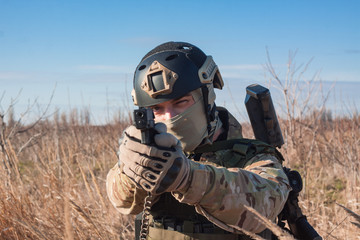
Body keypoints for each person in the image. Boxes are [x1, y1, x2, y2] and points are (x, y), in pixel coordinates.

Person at [106, 41, 291, 240]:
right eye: (157, 109)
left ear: (207, 98)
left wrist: (187, 178)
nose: (168, 117)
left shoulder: (253, 155)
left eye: (181, 102)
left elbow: (265, 202)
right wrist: (131, 168)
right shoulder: (153, 152)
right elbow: (121, 199)